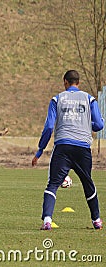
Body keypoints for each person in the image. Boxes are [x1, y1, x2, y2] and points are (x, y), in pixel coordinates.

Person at [32, 70, 104, 230]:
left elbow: (49, 127)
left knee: (52, 185)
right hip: (82, 148)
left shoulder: (57, 99)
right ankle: (96, 220)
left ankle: (47, 221)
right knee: (88, 183)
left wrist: (40, 150)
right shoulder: (89, 98)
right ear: (78, 82)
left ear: (65, 82)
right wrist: (86, 125)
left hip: (63, 147)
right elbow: (99, 125)